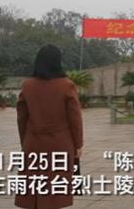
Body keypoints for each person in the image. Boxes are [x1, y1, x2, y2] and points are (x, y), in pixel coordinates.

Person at [15, 44, 83, 209]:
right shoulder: (67, 85)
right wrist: (78, 144)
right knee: (54, 191)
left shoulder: (27, 85)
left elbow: (21, 117)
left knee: (34, 186)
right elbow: (75, 119)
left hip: (33, 142)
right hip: (60, 143)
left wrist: (25, 140)